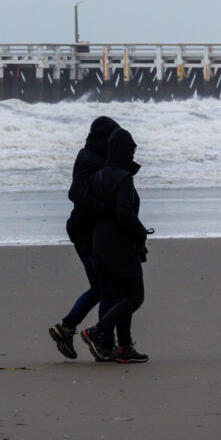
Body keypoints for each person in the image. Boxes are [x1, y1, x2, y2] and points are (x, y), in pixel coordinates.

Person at [48, 116, 121, 361]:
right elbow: (76, 193)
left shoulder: (93, 155)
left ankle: (68, 328)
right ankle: (101, 341)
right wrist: (107, 209)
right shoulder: (90, 159)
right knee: (106, 288)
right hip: (86, 234)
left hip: (87, 232)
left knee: (101, 287)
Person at [80, 127, 151, 364]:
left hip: (99, 244)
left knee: (122, 297)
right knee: (135, 297)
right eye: (131, 151)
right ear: (123, 151)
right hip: (120, 246)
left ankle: (124, 347)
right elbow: (125, 214)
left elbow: (91, 206)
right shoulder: (123, 178)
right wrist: (141, 234)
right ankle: (97, 331)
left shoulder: (98, 175)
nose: (133, 156)